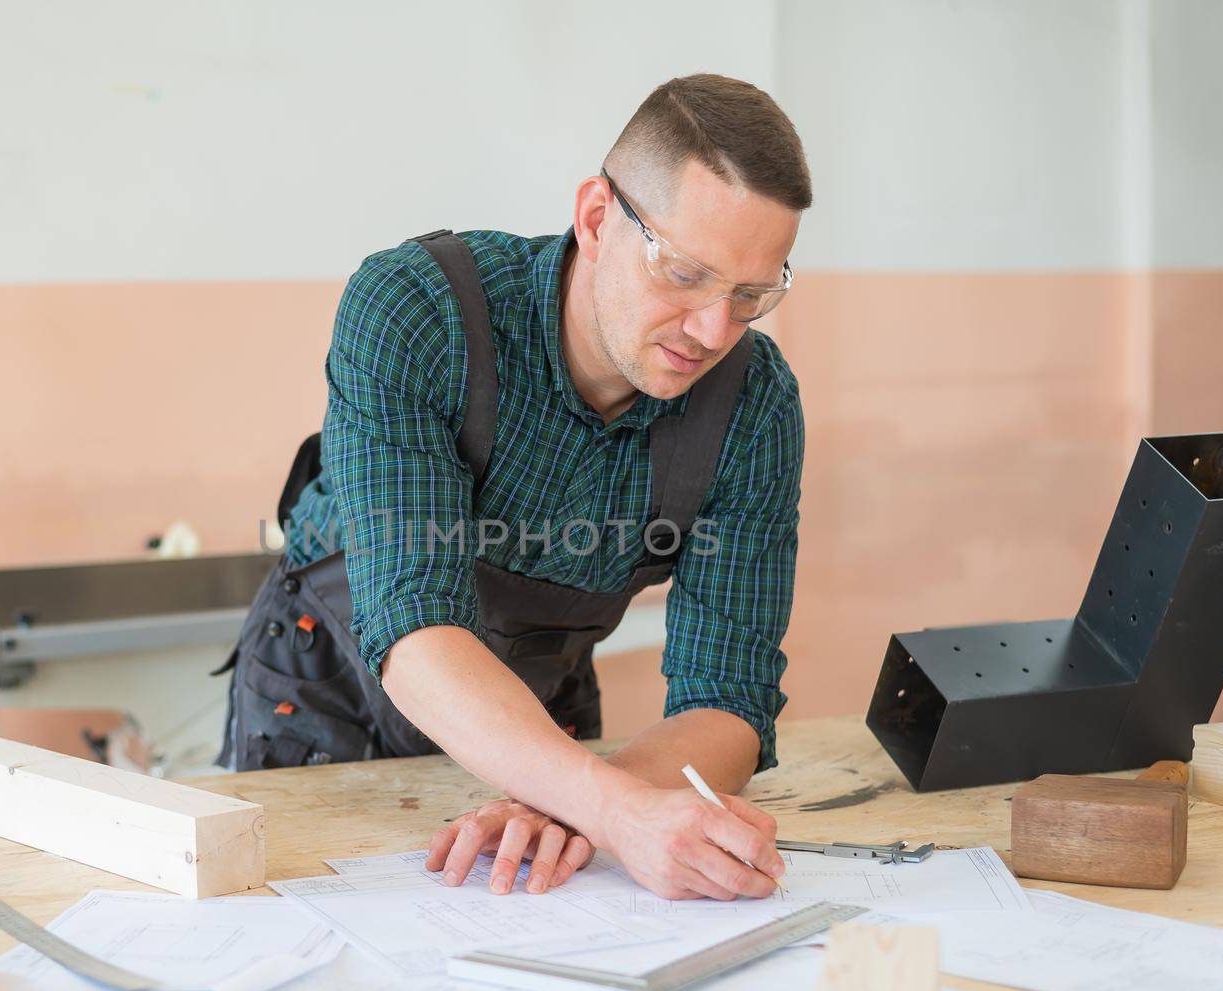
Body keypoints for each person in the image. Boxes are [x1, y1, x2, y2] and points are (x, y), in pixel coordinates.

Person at [218, 73, 808, 901]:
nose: (714, 331)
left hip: (543, 731)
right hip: (329, 697)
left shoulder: (754, 405)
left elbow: (729, 699)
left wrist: (587, 808)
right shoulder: (416, 310)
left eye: (751, 294)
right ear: (598, 219)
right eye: (684, 273)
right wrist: (607, 804)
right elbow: (416, 622)